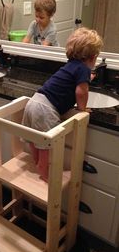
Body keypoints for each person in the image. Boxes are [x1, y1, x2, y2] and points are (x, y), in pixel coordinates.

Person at [22, 27, 103, 181]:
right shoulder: (84, 70)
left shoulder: (71, 65)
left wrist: (87, 79)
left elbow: (70, 82)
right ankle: (44, 170)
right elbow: (81, 92)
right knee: (48, 144)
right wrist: (82, 109)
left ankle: (37, 161)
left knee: (34, 137)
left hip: (35, 101)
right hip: (46, 109)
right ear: (93, 57)